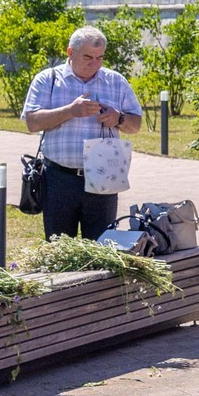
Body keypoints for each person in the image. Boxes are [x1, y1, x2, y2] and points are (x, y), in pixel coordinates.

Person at [21, 25, 146, 240]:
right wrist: (70, 111)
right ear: (70, 52)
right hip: (59, 178)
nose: (94, 64)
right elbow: (32, 122)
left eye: (100, 58)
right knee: (60, 248)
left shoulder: (115, 81)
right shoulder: (48, 79)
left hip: (103, 177)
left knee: (102, 247)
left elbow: (135, 126)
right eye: (88, 57)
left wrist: (119, 119)